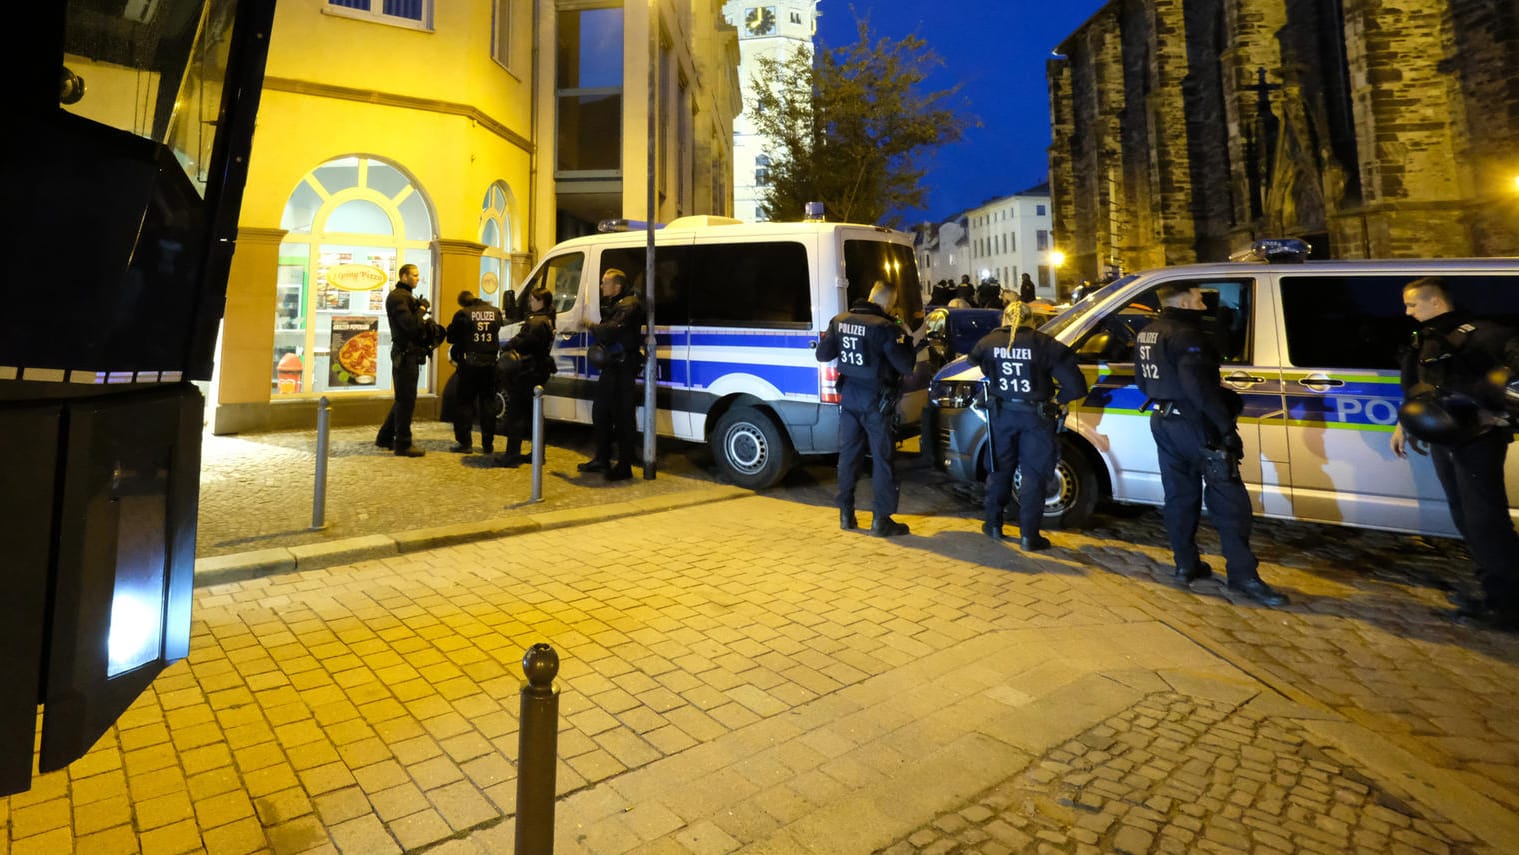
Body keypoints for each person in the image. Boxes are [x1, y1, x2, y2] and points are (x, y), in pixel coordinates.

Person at [1135, 283, 1288, 606]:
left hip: (1164, 421)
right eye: (1200, 298)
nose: (1204, 304)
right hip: (1197, 424)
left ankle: (1185, 565)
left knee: (1179, 496)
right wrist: (1226, 428)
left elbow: (1141, 380)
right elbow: (1200, 390)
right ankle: (1244, 576)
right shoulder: (1188, 336)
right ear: (1187, 300)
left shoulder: (1148, 332)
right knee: (1229, 500)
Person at [1392, 277, 1519, 630]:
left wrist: (1499, 413)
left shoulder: (1482, 334)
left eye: (1413, 304)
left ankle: (1508, 606)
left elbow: (1510, 382)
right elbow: (1419, 386)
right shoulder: (1425, 338)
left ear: (1435, 302)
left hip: (1477, 440)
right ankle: (1491, 591)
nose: (1407, 311)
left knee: (1485, 520)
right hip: (1443, 438)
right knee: (1464, 516)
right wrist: (1405, 425)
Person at [967, 299, 1089, 551]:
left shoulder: (988, 342)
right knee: (1033, 475)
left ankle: (993, 524)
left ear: (1005, 319)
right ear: (1031, 320)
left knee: (999, 470)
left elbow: (975, 362)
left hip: (1002, 416)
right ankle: (1029, 536)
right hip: (1036, 418)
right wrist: (1057, 400)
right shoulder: (1044, 344)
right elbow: (1076, 386)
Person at [815, 280, 916, 536]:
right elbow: (905, 366)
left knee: (848, 457)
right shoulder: (885, 328)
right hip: (876, 404)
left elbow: (823, 355)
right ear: (887, 303)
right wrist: (906, 337)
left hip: (849, 400)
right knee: (882, 460)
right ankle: (881, 520)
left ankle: (846, 514)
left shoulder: (839, 320)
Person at [578, 268, 645, 482]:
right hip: (613, 367)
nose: (601, 286)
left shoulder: (628, 304)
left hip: (622, 368)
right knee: (601, 413)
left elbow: (610, 330)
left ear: (616, 285)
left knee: (623, 417)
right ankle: (602, 458)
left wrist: (590, 325)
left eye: (604, 282)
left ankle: (624, 466)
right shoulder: (617, 303)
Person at [497, 286, 556, 467]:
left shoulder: (537, 322)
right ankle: (538, 453)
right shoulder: (548, 319)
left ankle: (512, 455)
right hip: (538, 370)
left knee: (516, 414)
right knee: (533, 414)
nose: (530, 302)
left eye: (532, 300)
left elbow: (523, 342)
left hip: (528, 371)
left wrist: (507, 346)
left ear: (540, 302)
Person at [376, 264, 430, 457]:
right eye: (414, 275)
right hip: (405, 354)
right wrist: (422, 309)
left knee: (404, 398)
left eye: (418, 275)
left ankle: (385, 436)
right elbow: (410, 326)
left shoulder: (405, 297)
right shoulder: (399, 297)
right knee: (406, 400)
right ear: (404, 276)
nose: (417, 278)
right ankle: (403, 443)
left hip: (408, 353)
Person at [446, 290, 504, 454]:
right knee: (488, 403)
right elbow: (498, 330)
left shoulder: (463, 314)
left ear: (463, 303)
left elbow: (451, 337)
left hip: (469, 364)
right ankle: (488, 444)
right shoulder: (495, 312)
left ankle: (465, 443)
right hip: (491, 364)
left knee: (465, 403)